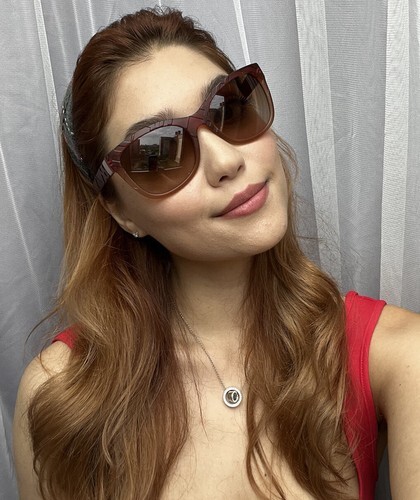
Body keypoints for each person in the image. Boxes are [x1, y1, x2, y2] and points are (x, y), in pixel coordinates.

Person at [12, 7, 420, 500]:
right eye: (158, 152)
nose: (226, 160)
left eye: (230, 107)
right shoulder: (59, 396)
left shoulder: (397, 356)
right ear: (121, 212)